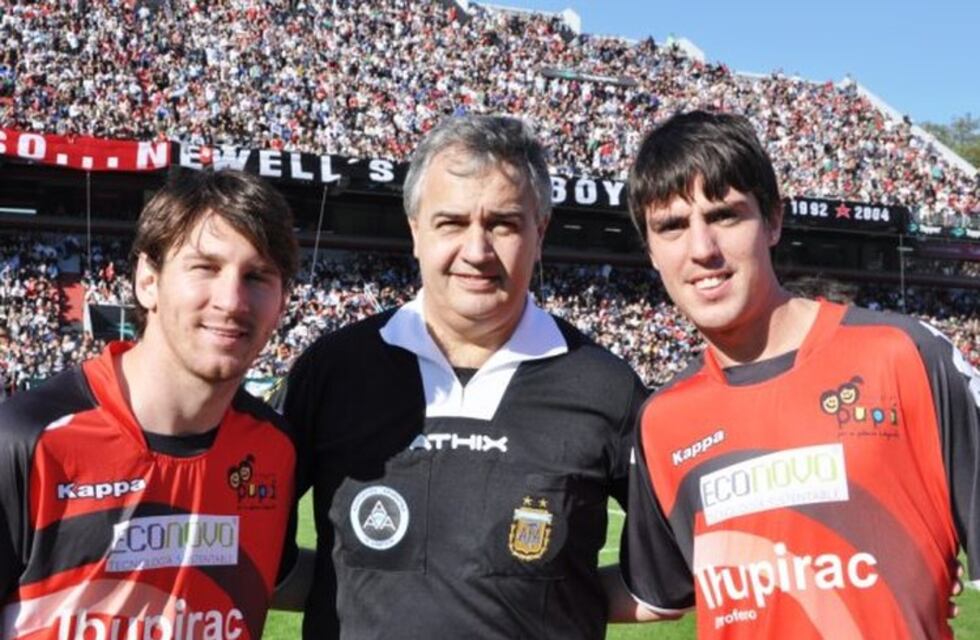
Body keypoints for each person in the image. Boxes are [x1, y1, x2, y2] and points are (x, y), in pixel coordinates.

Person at [281, 114, 657, 639]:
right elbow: (244, 537)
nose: (477, 252)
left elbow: (667, 575)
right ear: (415, 230)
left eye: (503, 223)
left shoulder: (605, 387)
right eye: (452, 223)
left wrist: (559, 597)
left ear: (540, 232)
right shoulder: (333, 370)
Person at [621, 110, 979, 638]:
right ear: (651, 251)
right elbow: (658, 592)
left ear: (772, 221)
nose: (702, 250)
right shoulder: (661, 421)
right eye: (672, 226)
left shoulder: (905, 356)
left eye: (724, 215)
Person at [0, 170, 300, 639]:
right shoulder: (26, 440)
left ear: (281, 302)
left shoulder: (276, 451)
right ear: (147, 280)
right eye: (204, 267)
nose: (231, 299)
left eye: (257, 275)